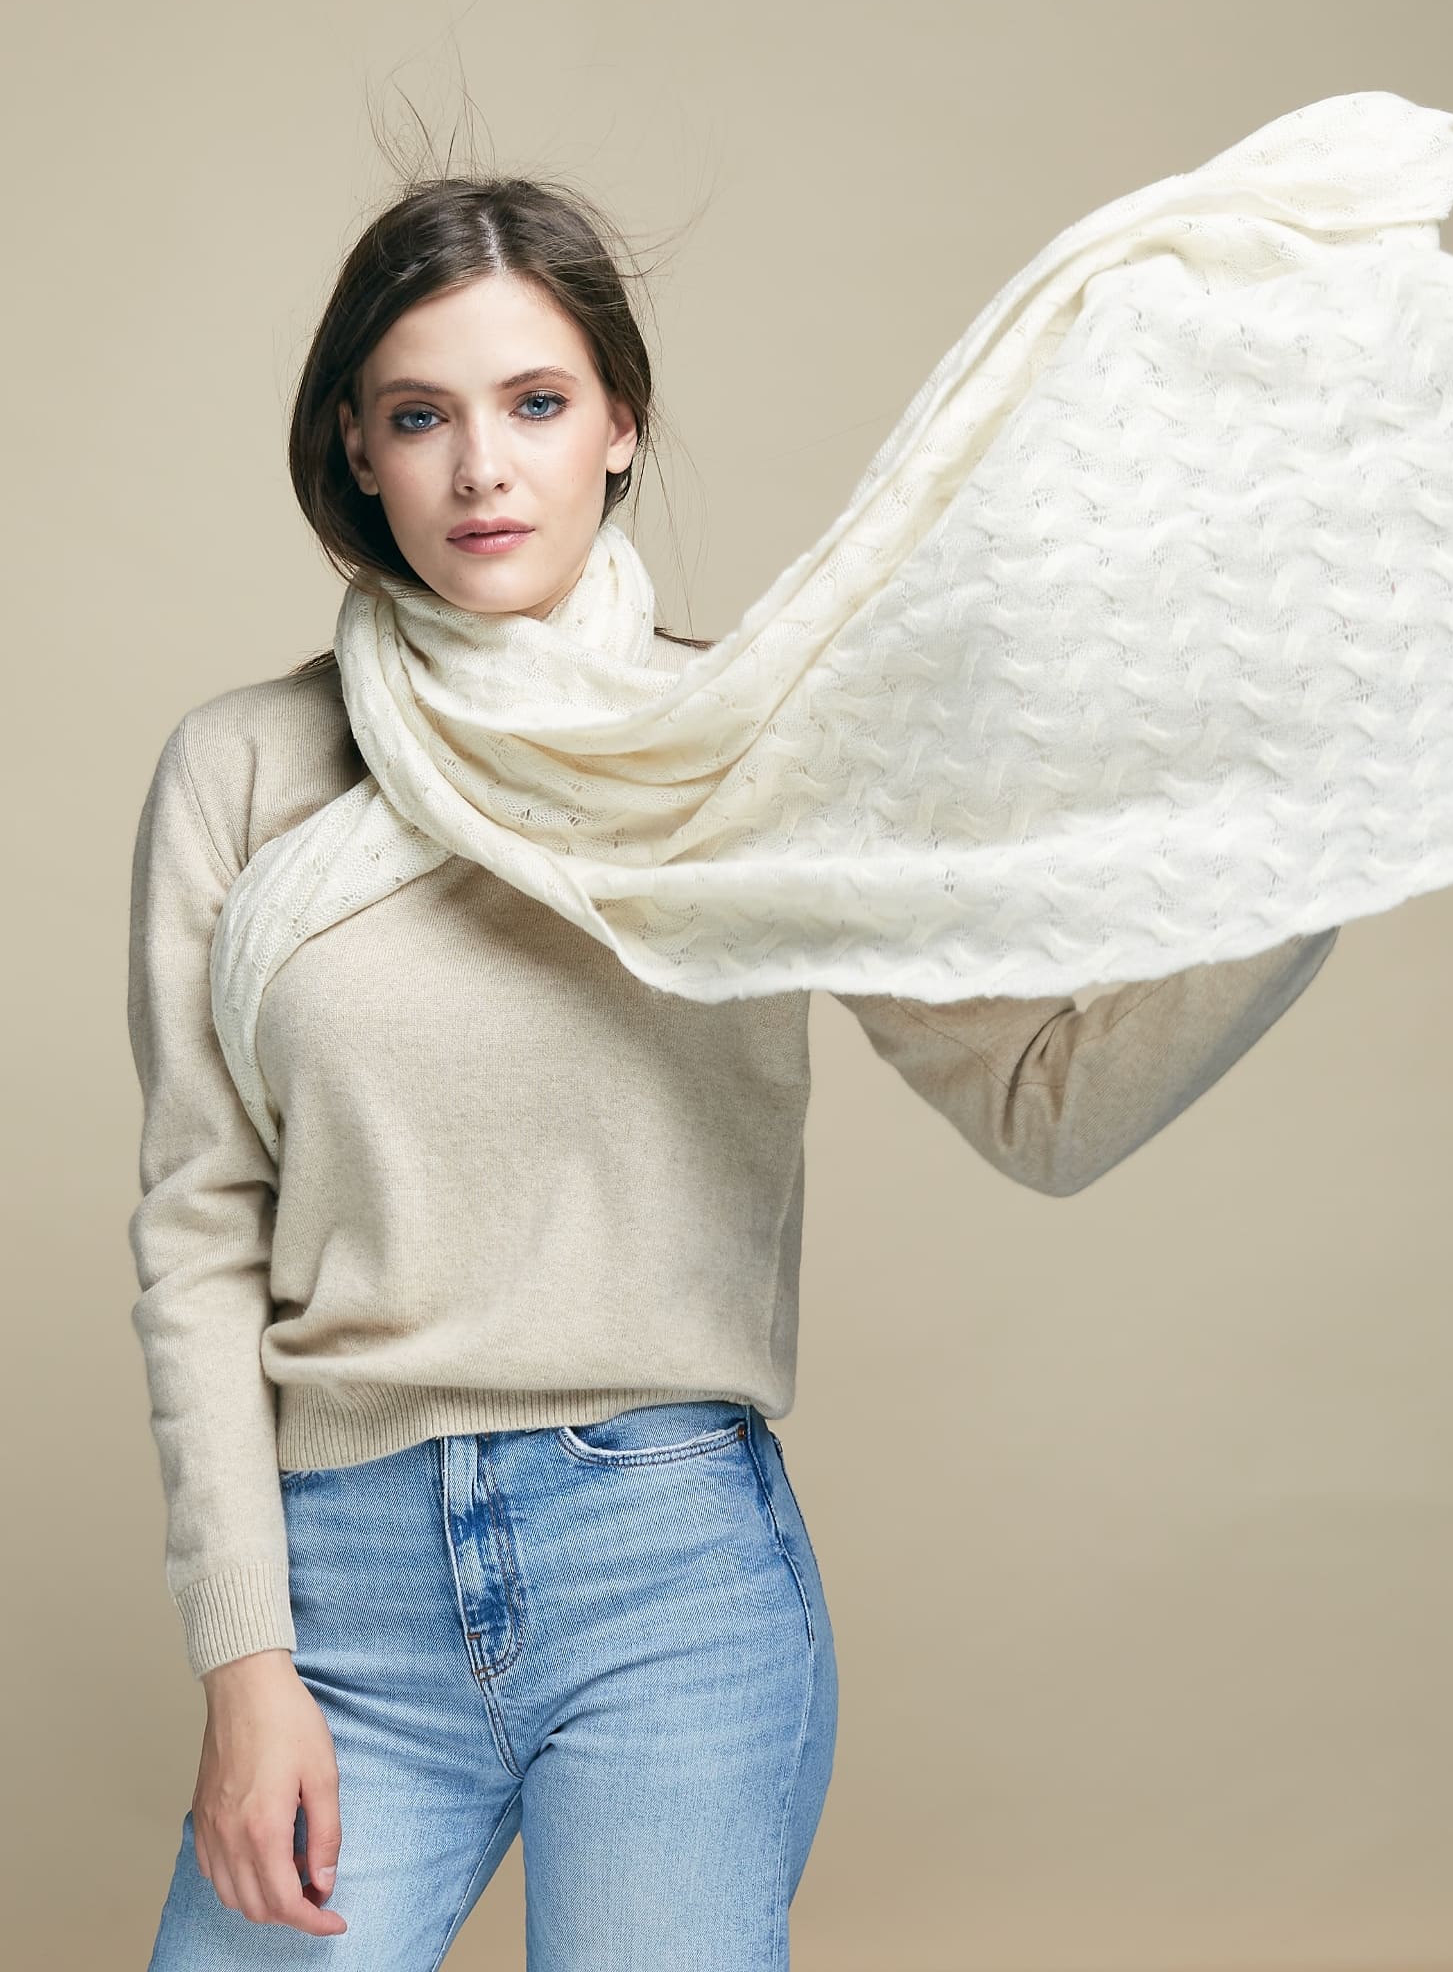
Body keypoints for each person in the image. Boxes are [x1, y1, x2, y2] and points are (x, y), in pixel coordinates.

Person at [127, 168, 1339, 1971]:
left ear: (620, 423)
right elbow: (199, 1233)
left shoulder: (745, 757)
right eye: (423, 416)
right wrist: (244, 1661)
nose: (482, 469)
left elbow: (1045, 1101)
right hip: (338, 1601)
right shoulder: (245, 770)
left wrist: (1327, 857)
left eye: (537, 403)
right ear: (357, 448)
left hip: (668, 1581)